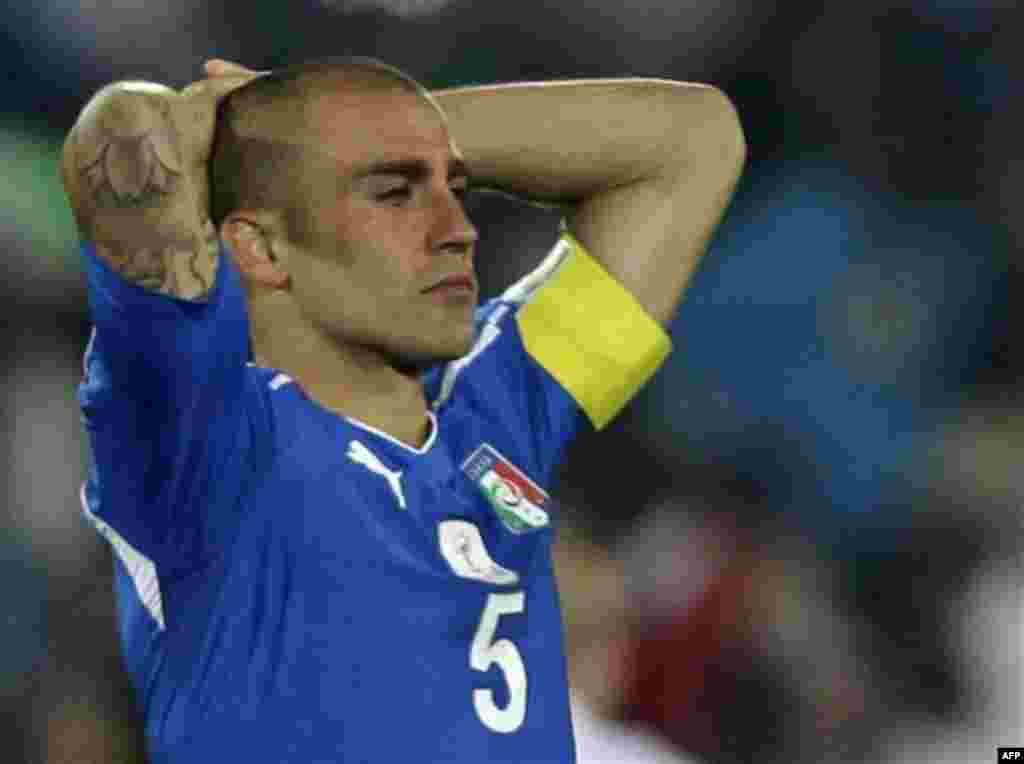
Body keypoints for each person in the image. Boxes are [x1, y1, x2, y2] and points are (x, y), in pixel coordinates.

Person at [61, 55, 745, 763]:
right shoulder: (204, 442)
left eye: (454, 187)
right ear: (261, 246)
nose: (459, 229)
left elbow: (694, 141)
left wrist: (369, 132)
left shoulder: (503, 409)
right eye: (395, 193)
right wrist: (302, 139)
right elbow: (124, 133)